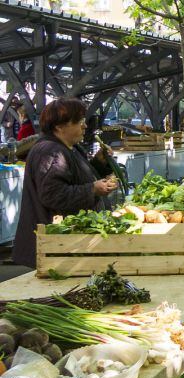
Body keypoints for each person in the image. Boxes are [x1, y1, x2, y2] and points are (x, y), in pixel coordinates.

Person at [13, 98, 119, 268]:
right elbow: (54, 196)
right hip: (54, 247)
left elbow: (76, 177)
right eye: (79, 122)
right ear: (59, 126)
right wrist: (92, 189)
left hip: (63, 246)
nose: (85, 126)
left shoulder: (67, 147)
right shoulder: (51, 152)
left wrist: (99, 163)